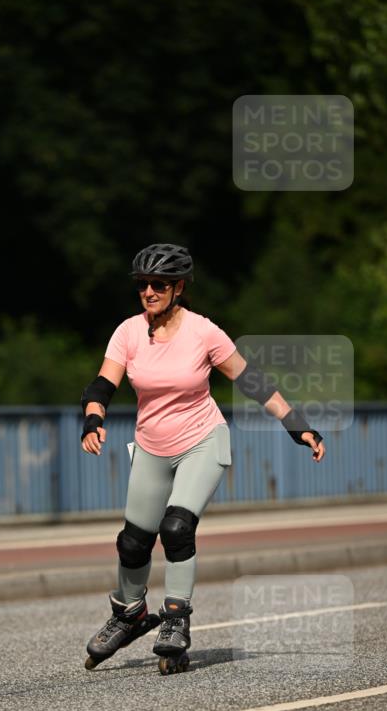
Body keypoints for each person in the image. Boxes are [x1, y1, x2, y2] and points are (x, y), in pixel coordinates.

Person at [80, 242, 325, 675]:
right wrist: (92, 420)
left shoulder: (204, 332)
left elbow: (251, 380)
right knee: (132, 542)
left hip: (201, 442)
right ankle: (130, 613)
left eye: (158, 284)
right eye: (142, 284)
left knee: (176, 528)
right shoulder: (129, 331)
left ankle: (175, 619)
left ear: (178, 287)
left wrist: (296, 424)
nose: (148, 291)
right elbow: (102, 384)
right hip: (152, 447)